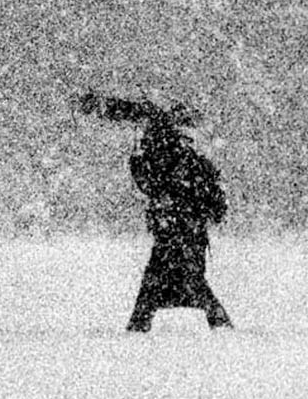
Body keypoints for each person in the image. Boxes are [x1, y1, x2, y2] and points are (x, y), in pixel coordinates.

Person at [79, 93, 233, 332]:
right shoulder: (183, 153)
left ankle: (141, 327)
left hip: (175, 228)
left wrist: (136, 160)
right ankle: (218, 325)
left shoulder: (164, 149)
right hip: (184, 228)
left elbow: (150, 185)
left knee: (169, 282)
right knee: (181, 281)